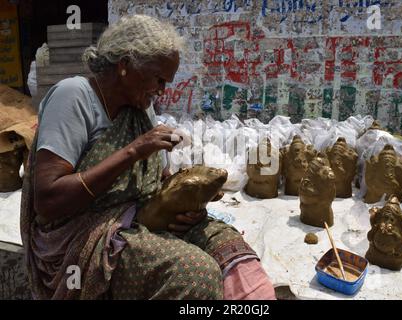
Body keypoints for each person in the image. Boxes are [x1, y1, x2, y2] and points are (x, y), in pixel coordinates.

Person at [20, 14, 276, 300]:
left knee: (230, 247)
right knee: (193, 273)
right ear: (125, 66)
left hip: (135, 218)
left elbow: (154, 181)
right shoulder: (73, 96)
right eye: (159, 79)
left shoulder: (140, 107)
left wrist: (186, 205)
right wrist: (134, 150)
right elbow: (48, 201)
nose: (162, 90)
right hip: (83, 231)